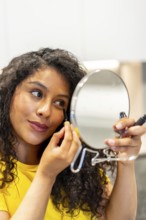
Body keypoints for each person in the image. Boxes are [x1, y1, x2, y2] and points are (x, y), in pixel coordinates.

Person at [0, 47, 145, 220]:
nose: (45, 111)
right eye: (37, 93)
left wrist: (125, 161)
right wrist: (46, 175)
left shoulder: (78, 167)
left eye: (60, 103)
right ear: (9, 94)